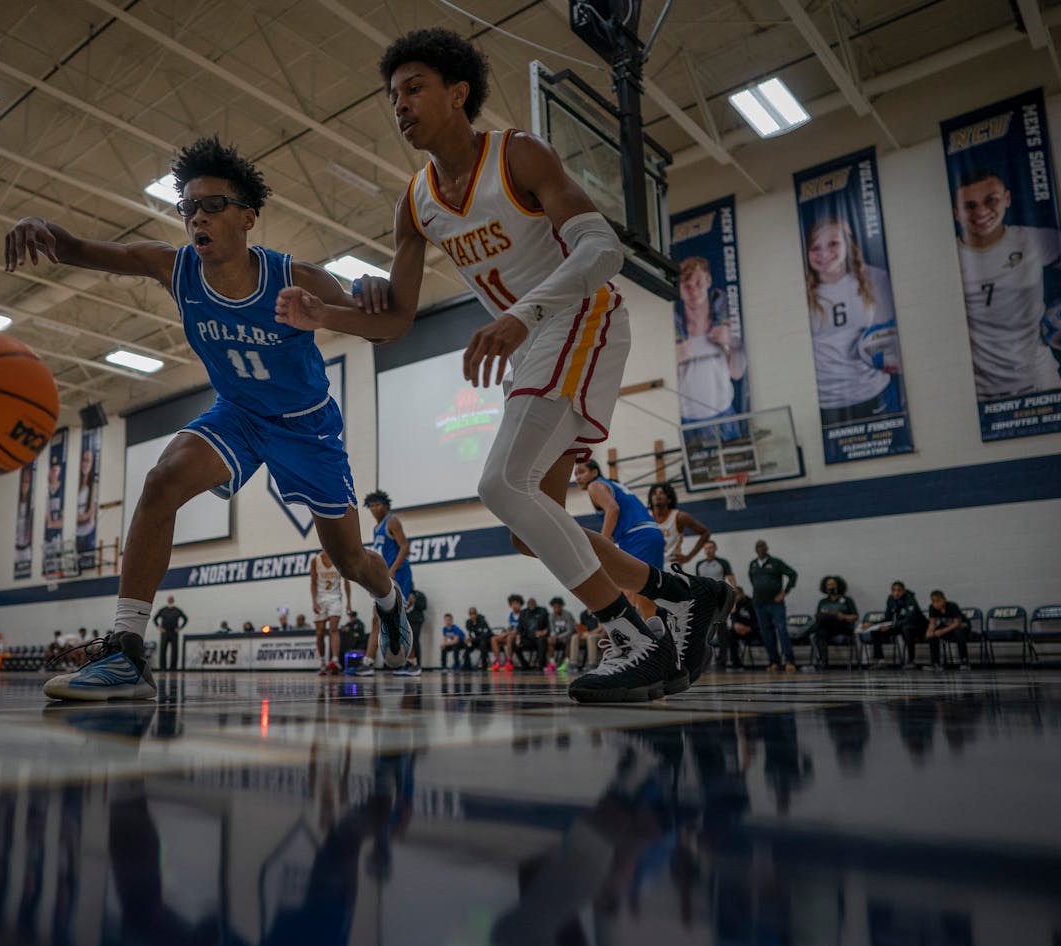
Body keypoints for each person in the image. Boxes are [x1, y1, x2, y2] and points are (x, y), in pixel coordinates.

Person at [276, 28, 733, 703]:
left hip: (582, 316)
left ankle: (633, 636)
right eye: (393, 96)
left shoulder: (517, 153)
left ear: (458, 93)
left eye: (414, 89)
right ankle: (684, 595)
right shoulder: (417, 201)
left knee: (499, 481)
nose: (399, 105)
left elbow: (601, 248)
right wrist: (326, 315)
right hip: (535, 342)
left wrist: (522, 313)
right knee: (529, 528)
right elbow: (396, 320)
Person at [6, 137, 413, 700]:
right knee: (160, 481)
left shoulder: (298, 278)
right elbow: (83, 249)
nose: (198, 216)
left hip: (307, 426)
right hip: (239, 415)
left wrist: (371, 294)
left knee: (348, 559)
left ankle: (390, 603)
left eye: (213, 205)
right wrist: (44, 229)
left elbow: (386, 327)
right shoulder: (172, 269)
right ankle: (125, 652)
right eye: (188, 208)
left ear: (247, 217)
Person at [952, 167, 1061, 396]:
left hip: (1041, 378)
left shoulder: (1034, 240)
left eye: (991, 200)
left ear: (1007, 199)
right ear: (957, 213)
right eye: (970, 206)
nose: (981, 211)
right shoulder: (948, 259)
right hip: (984, 391)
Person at [804, 217, 903, 425]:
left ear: (847, 244)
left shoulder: (876, 279)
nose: (824, 254)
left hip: (874, 391)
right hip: (827, 401)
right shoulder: (800, 295)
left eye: (833, 244)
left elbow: (894, 333)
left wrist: (895, 358)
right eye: (815, 247)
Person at [573, 460, 664, 618]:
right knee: (648, 593)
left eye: (581, 472)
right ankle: (659, 637)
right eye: (575, 474)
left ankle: (628, 639)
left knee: (628, 591)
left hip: (636, 535)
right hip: (652, 532)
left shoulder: (595, 485)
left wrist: (603, 543)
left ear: (594, 473)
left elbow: (613, 509)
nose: (578, 477)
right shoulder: (611, 484)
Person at [675, 256, 746, 437]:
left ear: (708, 281)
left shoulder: (724, 324)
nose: (694, 291)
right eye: (687, 286)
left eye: (698, 283)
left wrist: (732, 343)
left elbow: (737, 373)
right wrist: (671, 360)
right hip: (687, 421)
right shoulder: (672, 333)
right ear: (680, 291)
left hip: (723, 416)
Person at [352, 490, 416, 677]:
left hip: (399, 575)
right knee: (378, 618)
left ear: (385, 505)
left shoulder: (392, 521)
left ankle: (411, 663)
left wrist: (393, 569)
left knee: (396, 619)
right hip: (385, 576)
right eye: (371, 505)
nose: (374, 508)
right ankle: (369, 661)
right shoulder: (376, 528)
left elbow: (404, 545)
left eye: (377, 504)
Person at [747, 540, 798, 672]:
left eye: (762, 546)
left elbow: (792, 574)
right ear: (755, 549)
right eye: (757, 546)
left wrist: (784, 592)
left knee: (781, 630)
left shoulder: (776, 562)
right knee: (766, 633)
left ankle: (789, 661)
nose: (760, 548)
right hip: (759, 604)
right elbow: (753, 581)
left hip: (775, 604)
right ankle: (774, 662)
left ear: (767, 548)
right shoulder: (753, 564)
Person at [647, 482, 711, 568]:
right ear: (651, 499)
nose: (657, 496)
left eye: (661, 493)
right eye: (654, 493)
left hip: (671, 565)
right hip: (651, 564)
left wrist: (688, 557)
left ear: (669, 499)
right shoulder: (645, 517)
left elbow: (705, 533)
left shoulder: (679, 517)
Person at [311, 550, 350, 675]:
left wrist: (349, 602)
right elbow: (312, 582)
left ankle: (335, 660)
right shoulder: (315, 560)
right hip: (320, 598)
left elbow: (346, 582)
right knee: (320, 632)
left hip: (335, 597)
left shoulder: (339, 558)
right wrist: (314, 602)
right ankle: (322, 662)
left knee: (334, 627)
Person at [871, 580, 925, 668]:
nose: (896, 593)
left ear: (904, 590)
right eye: (894, 590)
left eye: (898, 590)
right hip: (899, 625)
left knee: (907, 629)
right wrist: (874, 624)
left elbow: (909, 619)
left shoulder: (910, 599)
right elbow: (887, 618)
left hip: (916, 625)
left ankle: (911, 661)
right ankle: (880, 661)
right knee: (876, 631)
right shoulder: (890, 599)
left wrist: (891, 626)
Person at [810, 575, 858, 669]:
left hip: (843, 627)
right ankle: (824, 663)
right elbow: (818, 617)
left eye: (833, 584)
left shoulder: (847, 600)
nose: (831, 586)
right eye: (828, 585)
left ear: (838, 585)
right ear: (825, 587)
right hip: (828, 630)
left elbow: (855, 617)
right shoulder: (823, 601)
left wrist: (842, 616)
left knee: (825, 619)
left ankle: (805, 633)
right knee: (820, 631)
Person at [925, 589, 972, 671]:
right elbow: (932, 623)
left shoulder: (952, 606)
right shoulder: (932, 607)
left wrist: (942, 631)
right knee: (932, 635)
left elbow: (957, 623)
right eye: (934, 601)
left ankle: (964, 661)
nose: (936, 604)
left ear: (944, 599)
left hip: (962, 626)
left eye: (938, 601)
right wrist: (929, 631)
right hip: (948, 628)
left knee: (958, 632)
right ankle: (935, 663)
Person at [721, 585, 758, 670]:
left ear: (742, 594)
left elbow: (759, 621)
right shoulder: (735, 604)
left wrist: (750, 628)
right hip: (740, 630)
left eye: (736, 595)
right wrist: (735, 625)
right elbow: (733, 619)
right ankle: (736, 662)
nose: (735, 598)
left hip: (752, 630)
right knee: (729, 634)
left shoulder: (752, 603)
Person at [152, 596, 188, 673]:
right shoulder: (163, 610)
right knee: (163, 650)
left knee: (174, 650)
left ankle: (173, 668)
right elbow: (155, 619)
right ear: (167, 600)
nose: (170, 600)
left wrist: (180, 628)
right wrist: (159, 627)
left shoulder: (177, 610)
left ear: (173, 600)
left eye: (172, 599)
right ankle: (162, 668)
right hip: (165, 632)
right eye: (169, 599)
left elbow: (185, 619)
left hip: (174, 632)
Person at [548, 597, 578, 673]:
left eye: (558, 607)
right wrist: (553, 636)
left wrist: (558, 637)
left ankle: (566, 663)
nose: (556, 609)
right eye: (554, 607)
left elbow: (570, 631)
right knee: (550, 641)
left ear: (561, 606)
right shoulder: (551, 616)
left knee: (569, 640)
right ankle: (552, 663)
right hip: (558, 637)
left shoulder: (567, 614)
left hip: (568, 635)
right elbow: (552, 629)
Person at [463, 606, 492, 671]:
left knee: (482, 643)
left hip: (485, 640)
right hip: (475, 640)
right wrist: (467, 639)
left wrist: (472, 639)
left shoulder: (482, 621)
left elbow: (484, 635)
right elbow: (469, 633)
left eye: (474, 614)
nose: (472, 616)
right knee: (466, 644)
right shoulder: (468, 622)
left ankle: (484, 664)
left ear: (476, 614)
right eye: (470, 614)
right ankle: (467, 665)